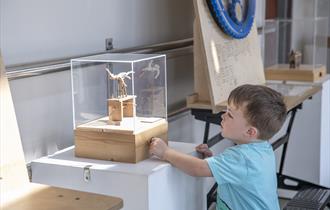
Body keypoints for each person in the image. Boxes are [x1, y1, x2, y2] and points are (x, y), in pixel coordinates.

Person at [149, 84, 287, 210]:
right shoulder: (263, 148)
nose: (223, 116)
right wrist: (213, 160)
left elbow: (198, 168)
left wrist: (165, 152)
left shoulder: (241, 157)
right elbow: (238, 172)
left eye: (230, 115)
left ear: (250, 132)